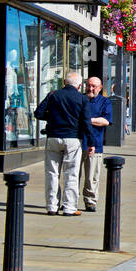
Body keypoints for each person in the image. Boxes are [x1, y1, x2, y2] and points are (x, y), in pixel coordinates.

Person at [35, 72, 90, 216]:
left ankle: (52, 206)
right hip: (73, 138)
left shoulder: (53, 95)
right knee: (71, 173)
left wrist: (53, 117)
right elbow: (86, 121)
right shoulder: (82, 98)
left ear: (64, 82)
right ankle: (69, 207)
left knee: (52, 173)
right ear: (79, 85)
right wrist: (90, 142)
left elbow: (38, 113)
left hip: (53, 137)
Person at [80, 76, 112, 212]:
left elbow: (106, 121)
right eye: (88, 85)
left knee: (92, 176)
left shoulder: (105, 102)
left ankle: (90, 201)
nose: (90, 88)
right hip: (76, 142)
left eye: (94, 86)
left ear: (100, 88)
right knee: (73, 175)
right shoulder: (80, 98)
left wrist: (87, 120)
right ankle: (70, 201)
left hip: (95, 144)